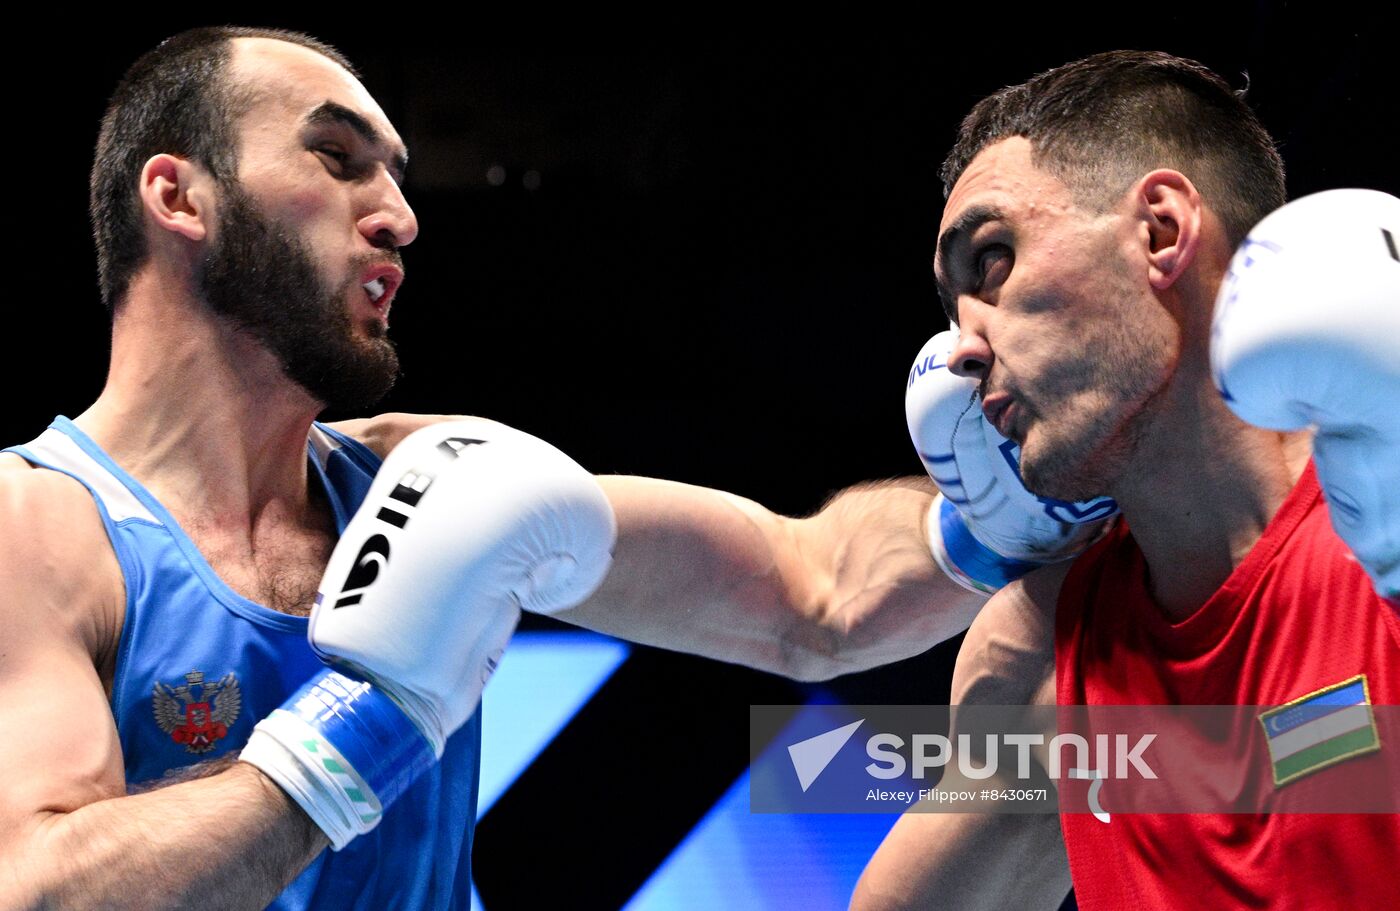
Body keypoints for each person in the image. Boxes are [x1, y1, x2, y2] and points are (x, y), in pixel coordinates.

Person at [0, 27, 1022, 910]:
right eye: (339, 158)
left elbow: (815, 589)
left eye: (397, 174)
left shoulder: (426, 478)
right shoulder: (36, 523)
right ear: (179, 195)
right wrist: (378, 715)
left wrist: (996, 513)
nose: (396, 213)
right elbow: (38, 884)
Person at [852, 52, 1399, 910]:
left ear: (1160, 233)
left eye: (991, 261)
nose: (958, 349)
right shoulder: (1039, 654)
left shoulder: (1377, 532)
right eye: (950, 309)